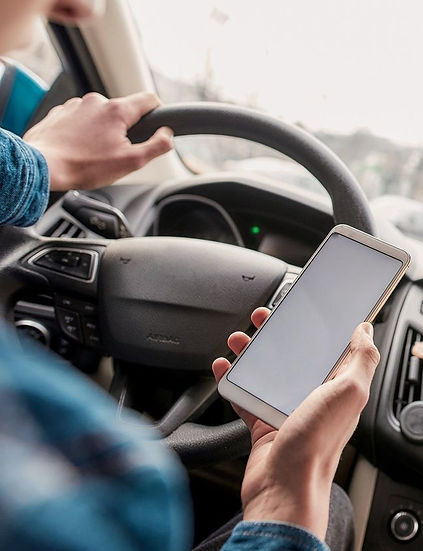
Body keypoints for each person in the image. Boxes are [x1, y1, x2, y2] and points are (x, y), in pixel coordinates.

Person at [1, 2, 368, 550]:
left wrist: (37, 165)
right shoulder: (116, 495)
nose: (80, 8)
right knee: (333, 506)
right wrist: (288, 498)